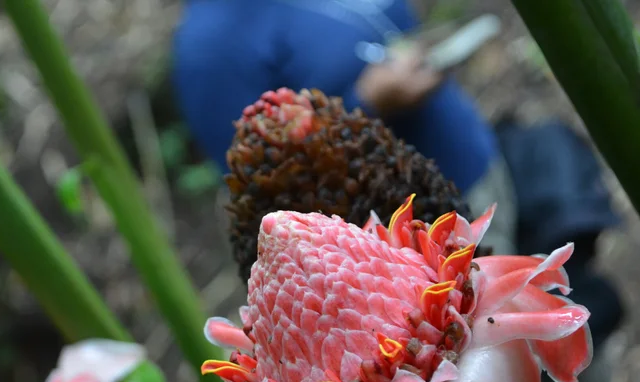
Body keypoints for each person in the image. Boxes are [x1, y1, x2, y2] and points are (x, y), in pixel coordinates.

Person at [172, 0, 640, 382]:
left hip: (452, 231)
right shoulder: (211, 48)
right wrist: (370, 102)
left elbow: (393, 18)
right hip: (371, 315)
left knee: (575, 366)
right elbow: (239, 163)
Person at [171, 0, 517, 252]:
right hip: (417, 244)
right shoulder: (211, 49)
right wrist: (366, 103)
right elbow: (265, 190)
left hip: (473, 167)